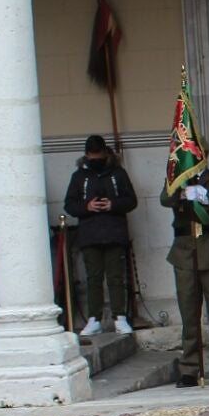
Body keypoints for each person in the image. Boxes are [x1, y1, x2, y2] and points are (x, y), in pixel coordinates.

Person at [163, 167, 209, 385]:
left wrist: (200, 194)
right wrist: (181, 191)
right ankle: (189, 368)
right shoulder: (176, 176)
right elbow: (165, 199)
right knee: (189, 315)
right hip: (184, 253)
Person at [63, 135, 138, 336]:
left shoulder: (118, 173)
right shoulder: (79, 176)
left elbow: (131, 200)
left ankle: (119, 317)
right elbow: (69, 204)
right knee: (93, 278)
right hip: (90, 234)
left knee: (116, 278)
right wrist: (87, 207)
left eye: (98, 155)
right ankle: (94, 319)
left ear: (105, 153)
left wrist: (113, 204)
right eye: (92, 156)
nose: (95, 159)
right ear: (86, 155)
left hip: (114, 232)